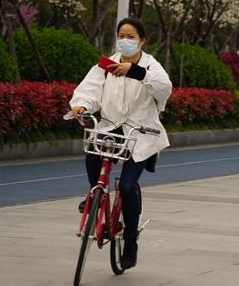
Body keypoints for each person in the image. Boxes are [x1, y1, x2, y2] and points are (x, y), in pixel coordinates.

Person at [69, 17, 172, 270]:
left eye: (131, 37)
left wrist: (136, 72)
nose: (125, 41)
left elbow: (164, 88)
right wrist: (81, 105)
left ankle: (130, 239)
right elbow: (89, 90)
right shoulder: (106, 65)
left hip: (140, 132)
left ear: (142, 41)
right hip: (111, 125)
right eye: (121, 36)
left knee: (127, 187)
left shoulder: (151, 66)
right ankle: (95, 193)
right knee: (93, 152)